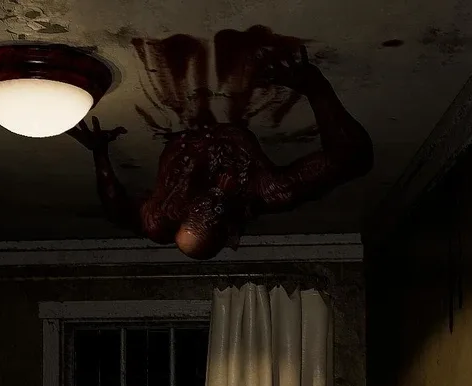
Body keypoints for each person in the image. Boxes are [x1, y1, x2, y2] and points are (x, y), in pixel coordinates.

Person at [67, 46, 374, 260]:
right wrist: (315, 86)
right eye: (215, 197)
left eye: (200, 200)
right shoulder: (268, 191)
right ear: (231, 226)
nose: (209, 186)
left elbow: (116, 208)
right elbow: (355, 157)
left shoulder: (159, 218)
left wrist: (99, 152)